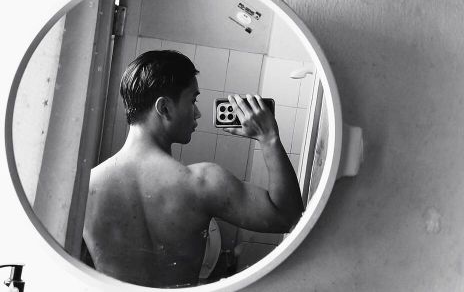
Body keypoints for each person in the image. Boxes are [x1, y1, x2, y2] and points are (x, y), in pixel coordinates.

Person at [83, 50, 304, 288]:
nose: (197, 112)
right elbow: (288, 217)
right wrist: (269, 137)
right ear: (164, 107)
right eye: (193, 100)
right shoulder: (202, 182)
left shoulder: (85, 187)